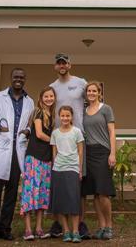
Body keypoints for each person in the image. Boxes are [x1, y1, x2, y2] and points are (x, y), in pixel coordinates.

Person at [0, 68, 35, 243]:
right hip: (1, 150)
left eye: (21, 77)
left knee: (11, 193)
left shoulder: (29, 101)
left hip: (18, 151)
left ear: (25, 79)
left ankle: (5, 228)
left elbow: (31, 122)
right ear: (11, 79)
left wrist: (28, 130)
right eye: (16, 76)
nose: (18, 79)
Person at [48, 53, 90, 238]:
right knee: (60, 185)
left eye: (64, 62)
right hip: (59, 139)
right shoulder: (52, 87)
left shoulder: (81, 82)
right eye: (58, 63)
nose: (61, 65)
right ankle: (59, 224)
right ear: (55, 67)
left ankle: (80, 224)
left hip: (78, 137)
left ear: (70, 65)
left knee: (78, 184)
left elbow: (92, 102)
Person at [20, 86, 56, 241]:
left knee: (42, 194)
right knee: (30, 193)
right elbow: (40, 134)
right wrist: (57, 140)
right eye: (46, 96)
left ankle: (39, 228)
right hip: (34, 157)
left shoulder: (52, 115)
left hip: (46, 159)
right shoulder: (38, 112)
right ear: (41, 98)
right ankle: (28, 229)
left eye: (51, 96)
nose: (49, 99)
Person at [81, 82, 116, 240]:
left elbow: (112, 132)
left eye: (94, 91)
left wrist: (112, 153)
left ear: (99, 93)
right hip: (88, 153)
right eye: (89, 91)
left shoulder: (106, 109)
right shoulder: (83, 111)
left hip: (103, 152)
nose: (91, 93)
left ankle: (109, 226)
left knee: (103, 192)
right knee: (95, 193)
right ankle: (101, 227)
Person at [50, 105, 85, 243]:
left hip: (73, 169)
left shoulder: (77, 132)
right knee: (61, 201)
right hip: (58, 169)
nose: (65, 118)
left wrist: (80, 169)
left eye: (67, 116)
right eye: (62, 116)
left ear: (72, 117)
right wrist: (55, 167)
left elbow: (80, 152)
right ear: (59, 117)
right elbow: (54, 152)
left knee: (74, 201)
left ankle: (75, 231)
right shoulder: (55, 133)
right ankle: (66, 231)